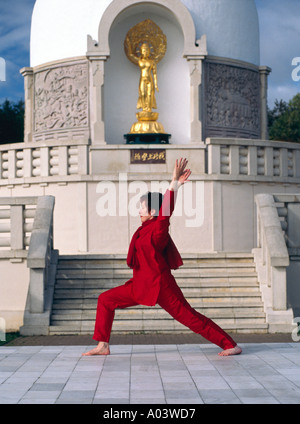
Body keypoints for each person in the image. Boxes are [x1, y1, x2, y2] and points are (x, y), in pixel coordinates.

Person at [83, 158, 242, 357]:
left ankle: (229, 345)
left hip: (160, 286)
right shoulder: (144, 229)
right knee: (105, 299)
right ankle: (103, 345)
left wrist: (174, 183)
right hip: (140, 284)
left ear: (153, 212)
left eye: (142, 207)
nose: (139, 210)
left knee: (189, 317)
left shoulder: (158, 230)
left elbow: (166, 212)